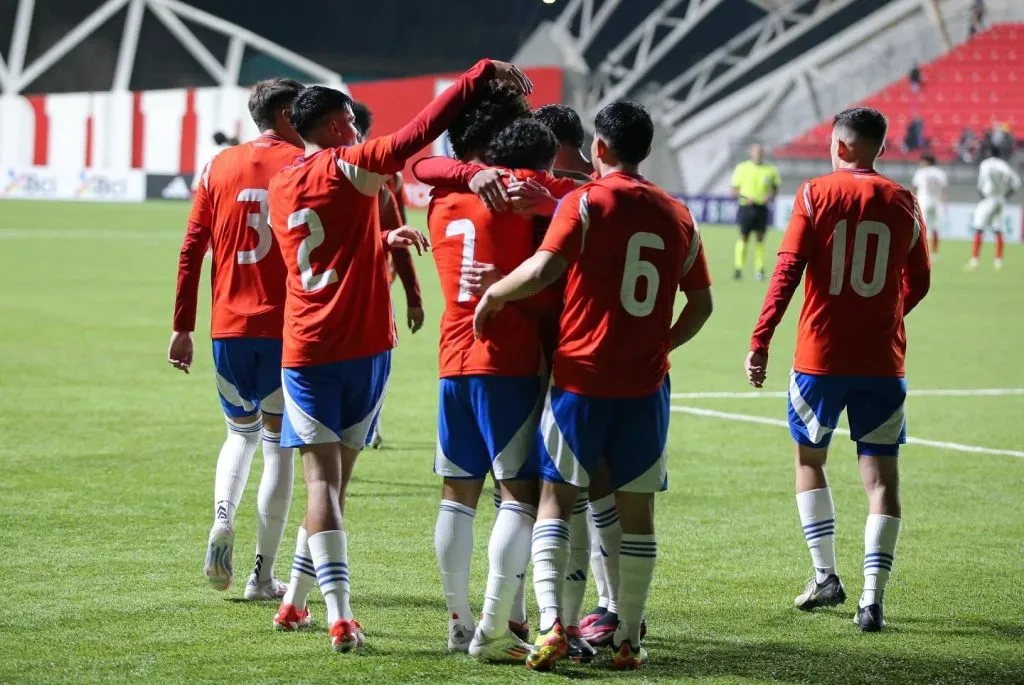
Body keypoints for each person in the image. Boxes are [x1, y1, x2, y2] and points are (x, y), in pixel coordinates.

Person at [266, 59, 532, 653]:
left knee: (326, 487)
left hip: (306, 346)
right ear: (337, 126)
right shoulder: (350, 166)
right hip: (361, 349)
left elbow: (320, 235)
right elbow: (417, 136)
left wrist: (378, 239)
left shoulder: (286, 179)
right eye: (351, 124)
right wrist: (475, 77)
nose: (359, 133)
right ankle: (340, 617)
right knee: (330, 487)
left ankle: (295, 602)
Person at [474, 101, 713, 670]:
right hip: (646, 386)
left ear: (599, 148)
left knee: (557, 499)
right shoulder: (679, 214)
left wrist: (494, 293)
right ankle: (628, 636)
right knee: (638, 514)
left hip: (580, 378)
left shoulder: (584, 202)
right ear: (647, 150)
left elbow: (543, 269)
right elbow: (701, 305)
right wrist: (661, 347)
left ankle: (554, 625)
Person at [744, 107, 931, 633]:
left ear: (842, 147)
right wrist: (886, 317)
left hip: (819, 359)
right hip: (882, 361)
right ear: (880, 148)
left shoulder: (814, 194)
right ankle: (872, 599)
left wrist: (760, 341)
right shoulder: (905, 201)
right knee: (882, 478)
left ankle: (826, 575)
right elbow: (920, 281)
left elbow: (786, 272)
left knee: (810, 460)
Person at [428, 118, 582, 664]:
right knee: (518, 495)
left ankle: (457, 620)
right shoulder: (523, 195)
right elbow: (544, 278)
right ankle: (493, 627)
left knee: (456, 493)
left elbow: (424, 164)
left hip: (452, 358)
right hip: (509, 360)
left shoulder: (442, 196)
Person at [168, 78, 304, 600]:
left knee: (238, 434)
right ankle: (262, 577)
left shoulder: (217, 165)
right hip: (284, 327)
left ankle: (223, 516)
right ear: (290, 112)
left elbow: (190, 249)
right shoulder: (302, 164)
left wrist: (183, 326)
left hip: (227, 328)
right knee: (279, 450)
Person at [349, 100, 425, 449]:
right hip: (377, 279)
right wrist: (413, 297)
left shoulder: (311, 169)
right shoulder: (384, 175)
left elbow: (399, 232)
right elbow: (401, 233)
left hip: (330, 282)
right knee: (375, 355)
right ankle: (368, 425)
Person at [731, 143, 781, 280]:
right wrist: (744, 198)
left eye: (760, 152)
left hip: (761, 208)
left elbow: (776, 189)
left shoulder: (770, 170)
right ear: (751, 153)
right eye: (756, 151)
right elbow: (734, 190)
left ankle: (759, 270)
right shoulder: (742, 168)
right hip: (746, 208)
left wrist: (770, 196)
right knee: (743, 237)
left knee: (760, 238)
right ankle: (738, 268)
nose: (758, 154)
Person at [966, 147, 1021, 271]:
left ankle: (974, 260)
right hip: (1000, 199)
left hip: (989, 199)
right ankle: (998, 261)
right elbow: (1016, 183)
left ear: (989, 153)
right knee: (998, 229)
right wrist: (1006, 196)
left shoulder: (986, 164)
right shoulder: (1004, 165)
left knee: (979, 228)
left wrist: (982, 195)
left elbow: (981, 183)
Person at [911, 154, 947, 256]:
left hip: (924, 201)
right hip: (936, 202)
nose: (921, 163)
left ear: (927, 161)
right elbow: (943, 190)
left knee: (921, 226)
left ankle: (921, 250)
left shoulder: (921, 172)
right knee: (935, 227)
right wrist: (945, 204)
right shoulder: (940, 173)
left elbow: (915, 188)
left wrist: (913, 201)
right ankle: (935, 251)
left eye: (922, 161)